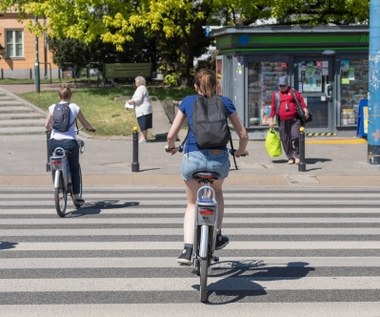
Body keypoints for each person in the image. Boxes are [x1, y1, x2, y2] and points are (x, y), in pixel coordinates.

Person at [165, 69, 249, 265]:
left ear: (195, 86)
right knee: (217, 191)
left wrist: (170, 147)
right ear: (216, 86)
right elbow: (243, 134)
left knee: (192, 203)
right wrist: (240, 151)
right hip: (219, 160)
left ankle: (187, 250)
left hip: (192, 160)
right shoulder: (225, 102)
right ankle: (217, 234)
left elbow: (171, 135)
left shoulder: (187, 101)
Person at [44, 84, 96, 205]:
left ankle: (57, 189)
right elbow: (85, 123)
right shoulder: (74, 107)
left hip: (54, 143)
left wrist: (51, 130)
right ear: (70, 96)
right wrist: (91, 128)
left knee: (55, 165)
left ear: (59, 96)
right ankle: (76, 196)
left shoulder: (52, 107)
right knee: (74, 168)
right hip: (70, 143)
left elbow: (46, 126)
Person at [268, 76, 310, 164]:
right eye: (280, 86)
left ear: (288, 84)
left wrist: (305, 110)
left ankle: (297, 155)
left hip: (294, 119)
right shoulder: (276, 95)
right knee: (285, 139)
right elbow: (273, 108)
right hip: (282, 120)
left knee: (296, 136)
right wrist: (270, 118)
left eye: (283, 85)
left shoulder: (294, 92)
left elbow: (301, 101)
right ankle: (290, 157)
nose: (282, 87)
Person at [126, 76, 153, 143]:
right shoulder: (142, 88)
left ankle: (143, 138)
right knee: (143, 125)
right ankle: (144, 138)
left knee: (142, 125)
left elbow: (138, 99)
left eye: (136, 82)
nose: (135, 83)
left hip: (143, 110)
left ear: (139, 82)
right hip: (145, 110)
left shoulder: (141, 88)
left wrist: (130, 101)